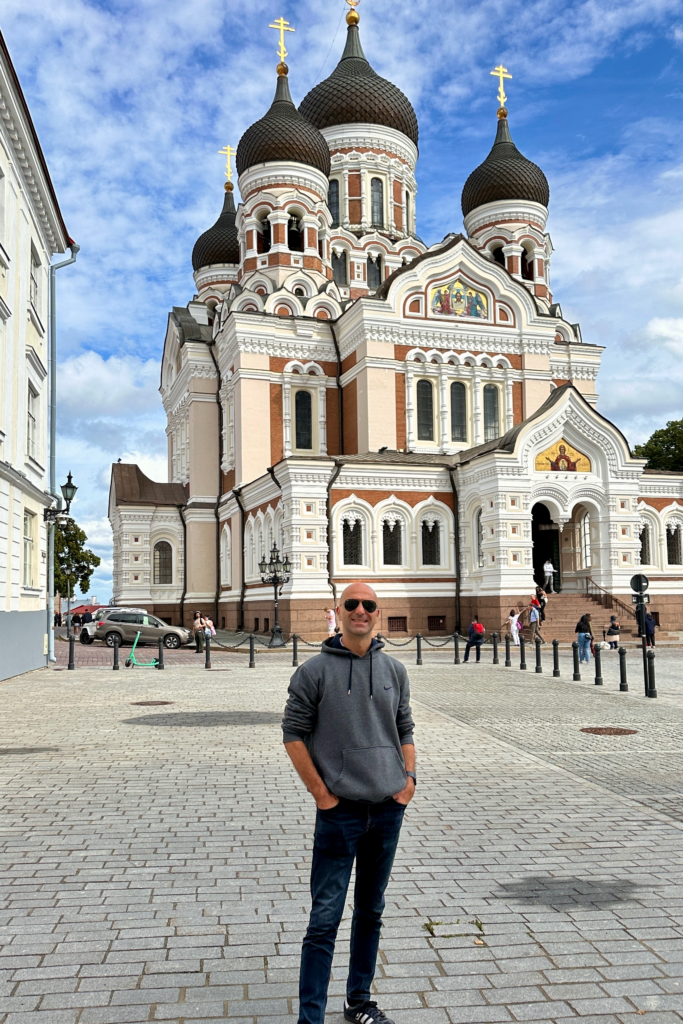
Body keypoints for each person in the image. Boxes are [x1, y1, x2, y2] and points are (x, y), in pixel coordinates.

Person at [283, 582, 415, 1024]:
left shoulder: (395, 670)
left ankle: (358, 1002)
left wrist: (408, 781)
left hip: (387, 809)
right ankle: (310, 1018)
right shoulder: (314, 671)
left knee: (371, 911)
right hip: (340, 813)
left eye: (369, 605)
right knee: (324, 918)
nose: (361, 611)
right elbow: (293, 734)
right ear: (337, 612)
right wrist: (322, 795)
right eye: (352, 604)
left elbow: (405, 728)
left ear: (378, 615)